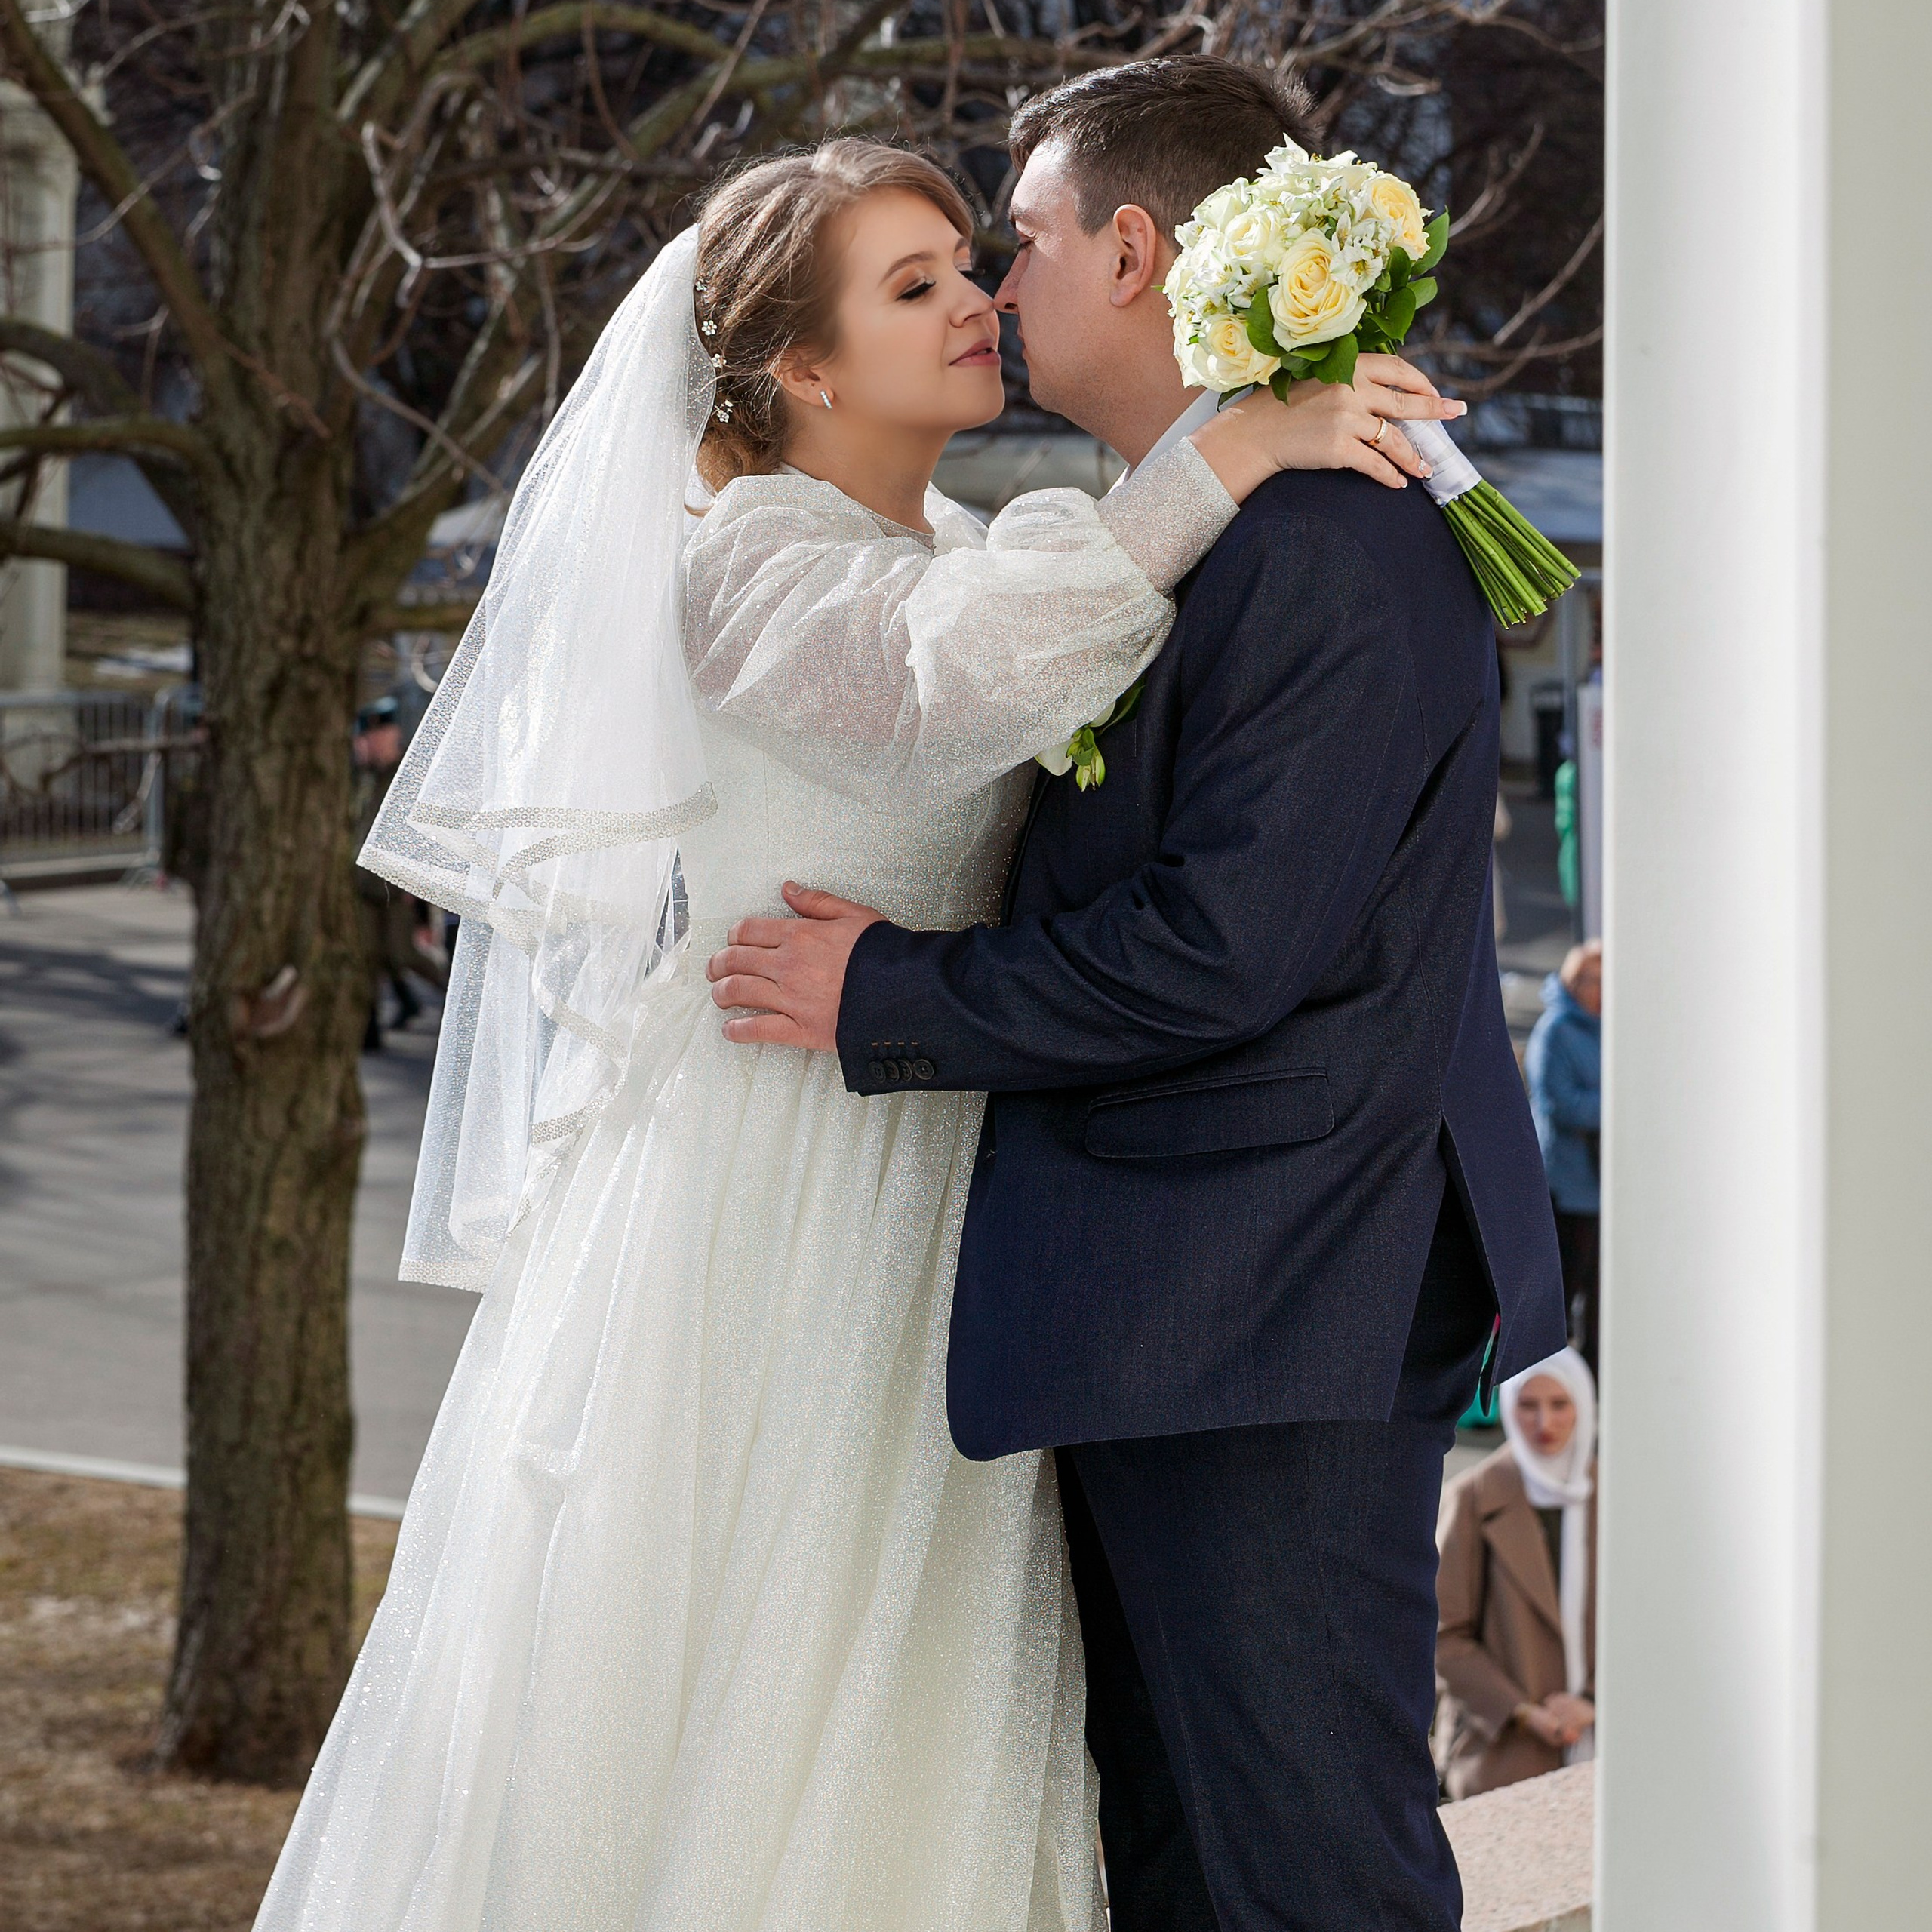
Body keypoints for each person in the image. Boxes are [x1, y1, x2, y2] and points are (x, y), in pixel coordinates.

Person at [253, 122, 1459, 1932]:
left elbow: (1036, 648)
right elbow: (940, 676)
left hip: (958, 1183)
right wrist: (1231, 436)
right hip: (781, 1188)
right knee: (757, 1661)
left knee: (920, 1683)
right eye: (915, 287)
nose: (976, 298)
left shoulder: (983, 539)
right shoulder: (743, 560)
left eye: (973, 262)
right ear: (799, 367)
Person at [706, 58, 1567, 1932]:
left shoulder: (1320, 546)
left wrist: (883, 990)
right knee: (1182, 1853)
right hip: (1187, 1299)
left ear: (1129, 248)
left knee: (1303, 1859)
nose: (993, 295)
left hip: (1260, 1293)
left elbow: (1218, 949)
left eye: (1005, 245)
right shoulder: (1200, 523)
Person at [1434, 1347, 1597, 1798]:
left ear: (1583, 1406)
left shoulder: (1615, 1496)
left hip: (1604, 1747)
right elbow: (1444, 1636)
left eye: (1560, 1404)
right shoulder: (1473, 1497)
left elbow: (1648, 1621)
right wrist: (1525, 1712)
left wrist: (1592, 1704)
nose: (1544, 1423)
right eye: (1528, 1405)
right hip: (1503, 1750)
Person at [1527, 938, 1602, 1372]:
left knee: (1600, 1294)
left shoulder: (1612, 1026)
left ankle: (1590, 1384)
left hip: (1603, 1186)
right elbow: (1558, 1102)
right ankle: (1543, 1379)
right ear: (1576, 983)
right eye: (1596, 980)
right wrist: (1615, 1107)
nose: (1605, 990)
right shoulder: (1555, 1030)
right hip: (1566, 1182)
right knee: (1561, 1288)